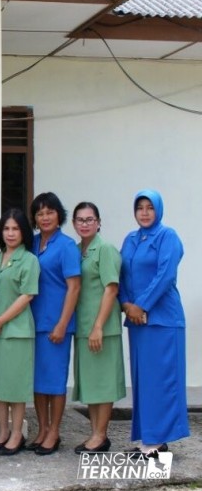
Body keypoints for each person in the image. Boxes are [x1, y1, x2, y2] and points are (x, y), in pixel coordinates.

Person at [119, 190, 188, 454]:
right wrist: (126, 304)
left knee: (162, 380)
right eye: (140, 208)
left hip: (163, 321)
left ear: (158, 209)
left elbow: (166, 274)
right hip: (138, 322)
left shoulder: (167, 236)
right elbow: (122, 274)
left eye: (150, 207)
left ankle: (157, 443)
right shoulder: (132, 239)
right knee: (144, 381)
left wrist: (141, 305)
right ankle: (149, 438)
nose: (145, 212)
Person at [28, 192, 81, 455]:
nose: (44, 217)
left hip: (56, 324)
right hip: (32, 323)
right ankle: (42, 428)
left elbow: (74, 287)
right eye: (39, 213)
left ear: (59, 214)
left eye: (49, 212)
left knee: (55, 380)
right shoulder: (33, 243)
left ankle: (54, 431)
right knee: (38, 382)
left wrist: (62, 323)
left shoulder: (67, 245)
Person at [71, 201, 124, 454]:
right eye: (80, 220)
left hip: (101, 328)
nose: (85, 224)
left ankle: (100, 434)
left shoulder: (105, 249)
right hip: (83, 327)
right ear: (73, 224)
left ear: (99, 222)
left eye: (90, 219)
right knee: (91, 384)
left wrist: (98, 327)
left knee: (103, 384)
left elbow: (111, 289)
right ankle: (96, 434)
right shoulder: (78, 250)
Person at [0, 209, 39, 456]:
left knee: (15, 387)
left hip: (16, 331)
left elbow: (26, 296)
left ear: (23, 232)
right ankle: (2, 432)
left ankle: (17, 433)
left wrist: (0, 320)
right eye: (6, 228)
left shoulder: (29, 260)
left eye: (15, 229)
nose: (10, 233)